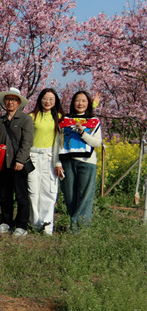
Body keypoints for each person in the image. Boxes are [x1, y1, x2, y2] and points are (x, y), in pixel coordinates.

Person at [56, 91, 102, 233]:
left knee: (85, 196)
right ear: (72, 102)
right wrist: (57, 163)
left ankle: (78, 228)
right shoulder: (64, 120)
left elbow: (97, 143)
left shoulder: (94, 121)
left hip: (87, 163)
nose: (80, 104)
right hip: (67, 162)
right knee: (69, 196)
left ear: (88, 103)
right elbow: (57, 142)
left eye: (84, 101)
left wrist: (83, 133)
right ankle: (76, 222)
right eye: (77, 100)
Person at [0, 87, 34, 237]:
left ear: (19, 102)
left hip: (18, 164)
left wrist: (20, 160)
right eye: (8, 99)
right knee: (5, 195)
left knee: (21, 195)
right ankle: (6, 222)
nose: (10, 102)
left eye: (13, 100)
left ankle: (22, 225)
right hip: (3, 164)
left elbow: (27, 142)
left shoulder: (25, 119)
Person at [28, 88, 63, 235]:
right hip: (33, 155)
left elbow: (79, 119)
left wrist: (58, 163)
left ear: (55, 102)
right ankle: (35, 224)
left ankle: (47, 225)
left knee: (49, 191)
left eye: (51, 99)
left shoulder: (59, 117)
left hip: (50, 156)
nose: (47, 102)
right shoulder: (31, 116)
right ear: (40, 99)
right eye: (45, 98)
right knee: (33, 191)